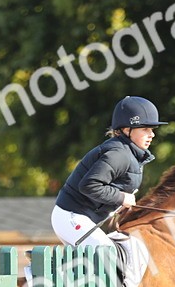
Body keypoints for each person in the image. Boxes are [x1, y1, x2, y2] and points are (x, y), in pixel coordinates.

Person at [53, 96, 167, 248]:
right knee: (107, 253)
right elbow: (89, 185)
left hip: (83, 217)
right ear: (126, 130)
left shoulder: (130, 154)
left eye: (152, 129)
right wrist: (121, 197)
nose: (151, 134)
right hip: (72, 216)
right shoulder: (119, 154)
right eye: (145, 129)